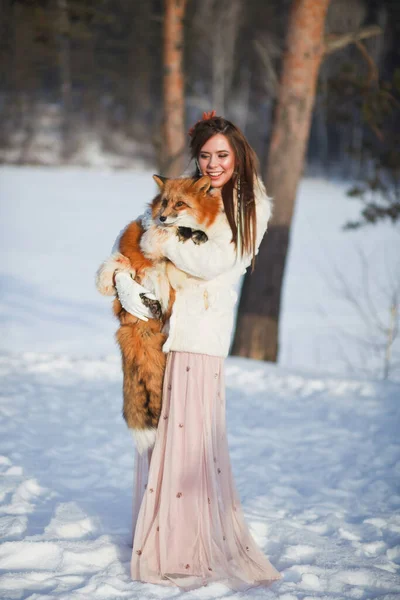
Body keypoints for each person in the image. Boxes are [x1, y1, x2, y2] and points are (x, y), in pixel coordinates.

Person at [98, 113, 282, 591]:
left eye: (222, 154)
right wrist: (123, 268)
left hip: (199, 333)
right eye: (205, 155)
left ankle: (184, 543)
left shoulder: (249, 204)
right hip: (163, 326)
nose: (214, 163)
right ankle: (157, 533)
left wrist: (166, 241)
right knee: (161, 435)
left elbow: (215, 259)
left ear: (238, 154)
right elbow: (144, 227)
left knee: (189, 446)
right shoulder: (188, 191)